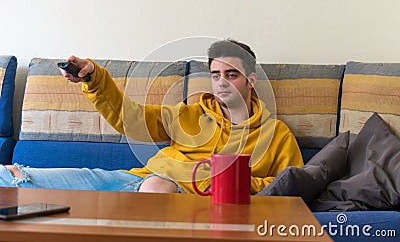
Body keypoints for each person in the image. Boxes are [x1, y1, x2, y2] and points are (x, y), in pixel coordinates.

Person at [0, 39, 303, 194]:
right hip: (133, 183)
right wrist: (95, 78)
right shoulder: (190, 114)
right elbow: (131, 119)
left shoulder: (275, 135)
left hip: (174, 196)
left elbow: (290, 187)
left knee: (158, 187)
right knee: (12, 174)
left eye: (232, 74)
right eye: (215, 74)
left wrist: (229, 182)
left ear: (250, 79)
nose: (222, 82)